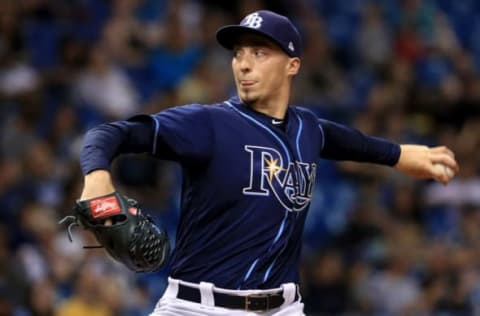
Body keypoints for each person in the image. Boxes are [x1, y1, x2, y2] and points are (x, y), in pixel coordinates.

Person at [78, 10, 459, 316]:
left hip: (284, 307)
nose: (243, 64)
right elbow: (110, 134)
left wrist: (399, 155)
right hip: (197, 307)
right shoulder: (207, 123)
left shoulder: (308, 127)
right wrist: (97, 178)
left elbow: (347, 142)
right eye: (238, 53)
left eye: (259, 53)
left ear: (292, 65)